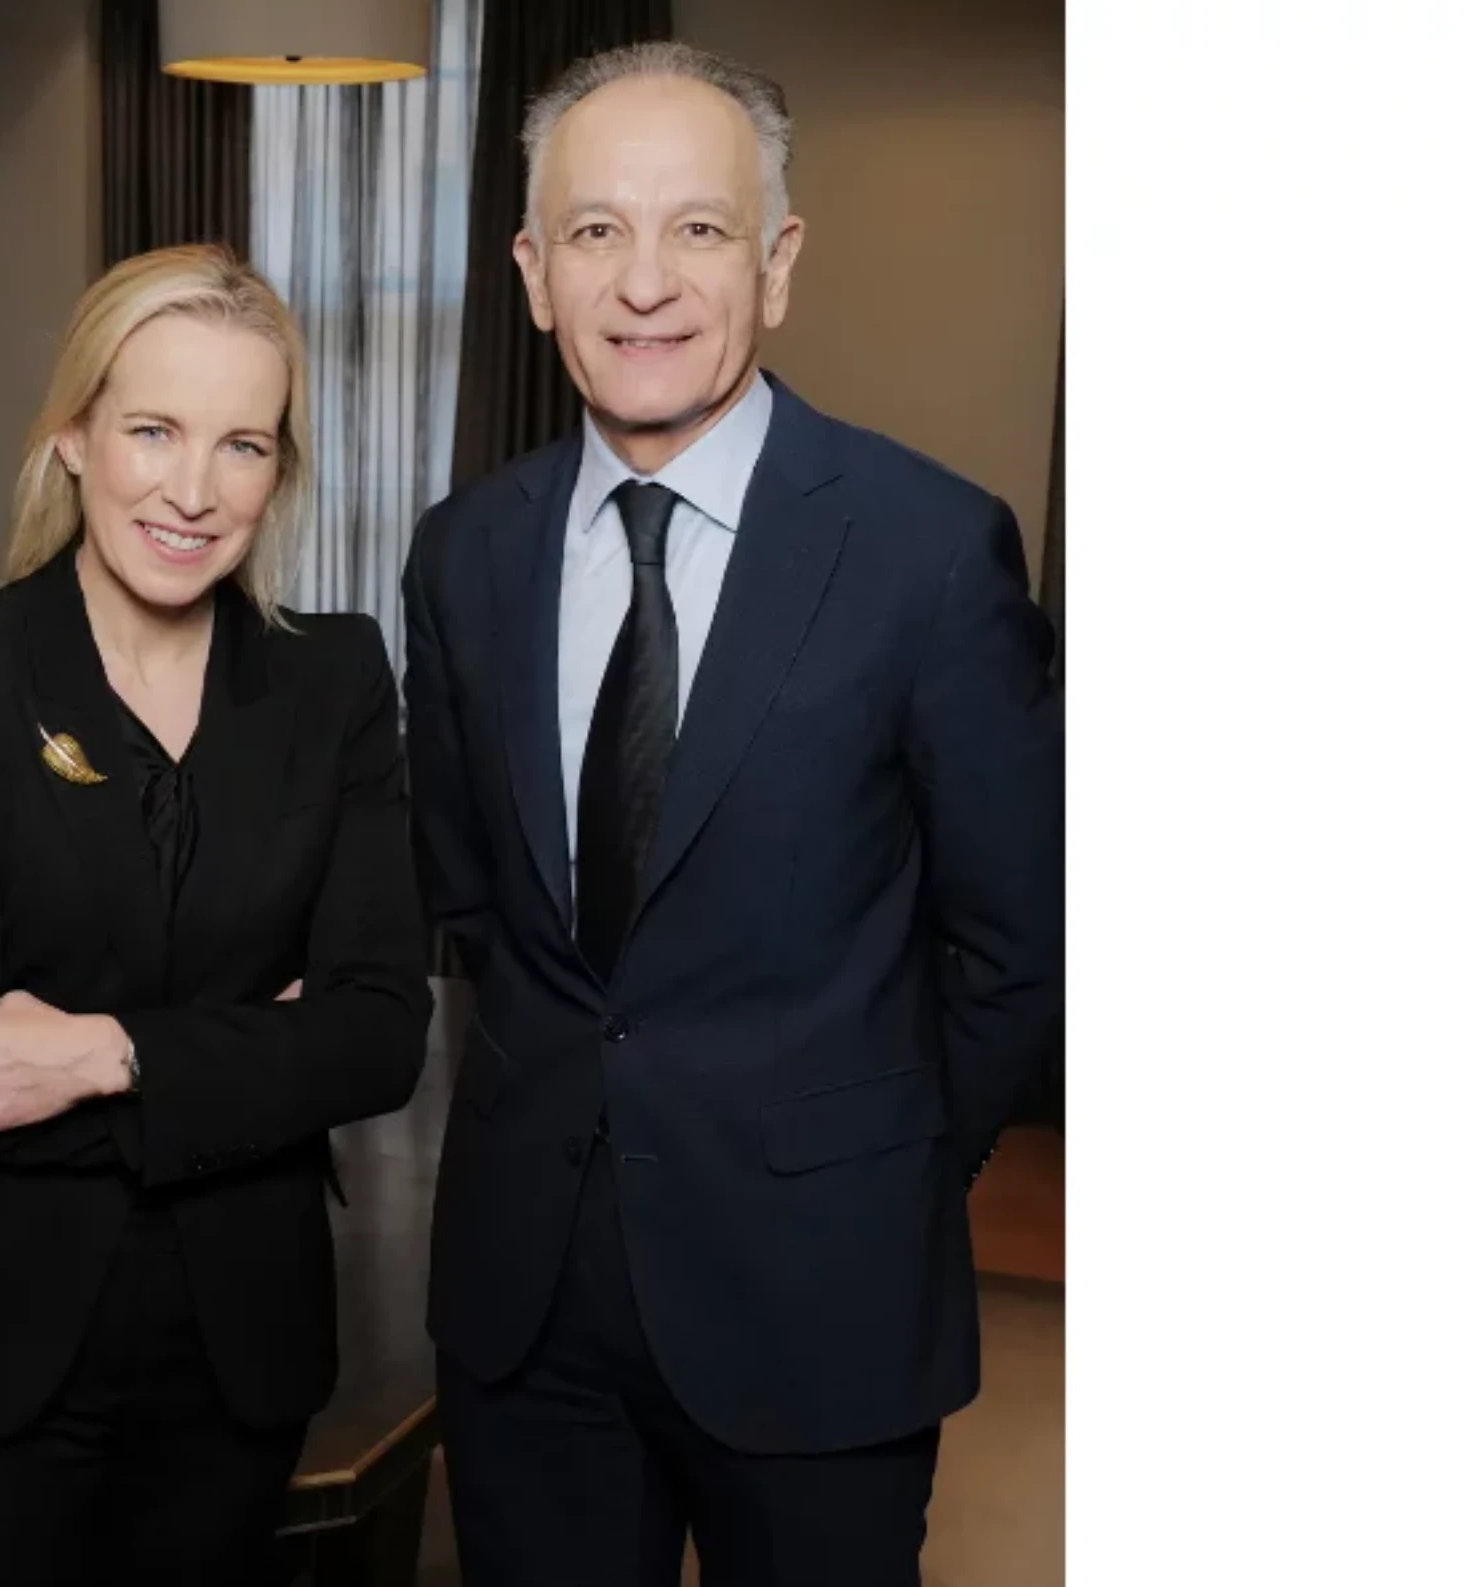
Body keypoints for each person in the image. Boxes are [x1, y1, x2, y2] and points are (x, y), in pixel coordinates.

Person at [401, 42, 1063, 1587]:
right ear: (531, 271)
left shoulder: (929, 549)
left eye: (698, 228)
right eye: (594, 231)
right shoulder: (463, 557)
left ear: (777, 263)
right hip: (526, 1315)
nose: (643, 282)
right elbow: (473, 898)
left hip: (823, 1300)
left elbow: (1017, 945)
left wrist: (872, 1165)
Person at [0, 243, 433, 1587]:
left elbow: (378, 1034)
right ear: (70, 436)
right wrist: (254, 1051)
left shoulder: (333, 679)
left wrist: (95, 1052)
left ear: (278, 473)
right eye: (152, 429)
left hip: (234, 1361)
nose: (191, 487)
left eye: (242, 443)